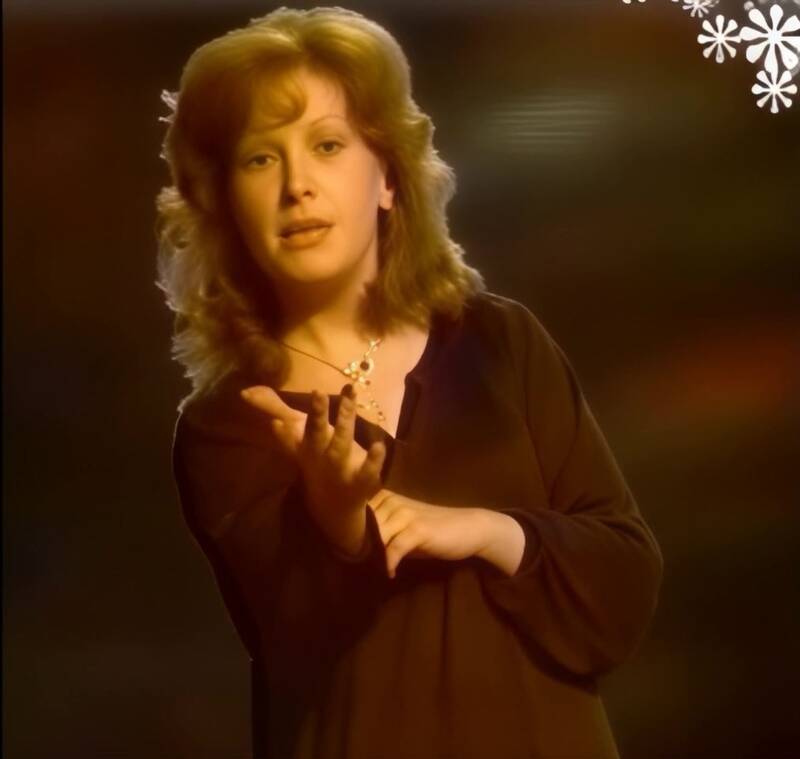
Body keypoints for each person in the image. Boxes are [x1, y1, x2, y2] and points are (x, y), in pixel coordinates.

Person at [156, 6, 663, 758]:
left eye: (327, 145)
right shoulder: (228, 423)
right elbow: (296, 639)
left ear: (389, 177)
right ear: (225, 203)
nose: (297, 185)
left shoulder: (501, 342)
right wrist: (337, 518)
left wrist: (489, 531)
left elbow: (623, 581)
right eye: (260, 158)